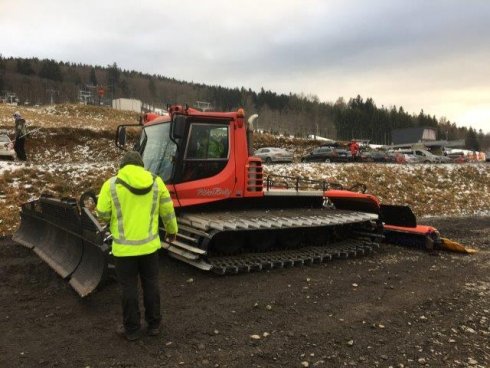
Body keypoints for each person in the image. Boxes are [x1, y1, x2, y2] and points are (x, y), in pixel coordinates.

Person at [96, 151, 178, 341]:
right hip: (149, 248)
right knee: (151, 284)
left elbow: (102, 213)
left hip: (124, 250)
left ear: (122, 167)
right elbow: (167, 209)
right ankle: (154, 325)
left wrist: (113, 219)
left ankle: (132, 329)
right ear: (141, 165)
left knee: (128, 288)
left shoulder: (111, 185)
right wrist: (172, 230)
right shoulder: (157, 182)